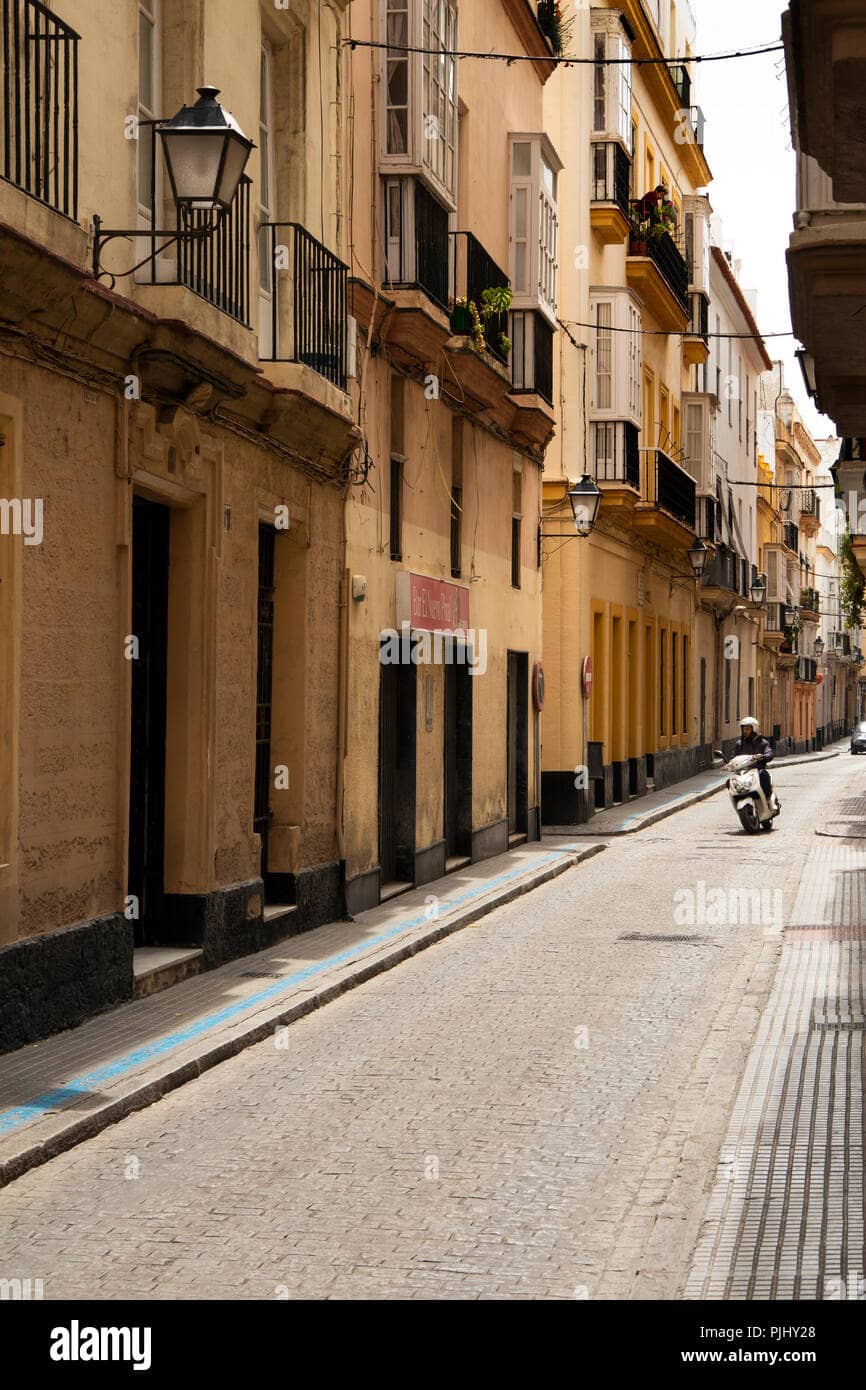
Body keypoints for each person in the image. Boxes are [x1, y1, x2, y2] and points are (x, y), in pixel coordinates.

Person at [734, 717, 777, 806]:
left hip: (757, 769)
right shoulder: (739, 744)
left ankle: (768, 799)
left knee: (764, 775)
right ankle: (737, 799)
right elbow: (734, 756)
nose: (745, 731)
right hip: (743, 771)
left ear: (754, 729)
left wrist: (763, 756)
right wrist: (730, 763)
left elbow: (769, 753)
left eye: (747, 729)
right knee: (730, 781)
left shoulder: (762, 743)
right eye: (743, 729)